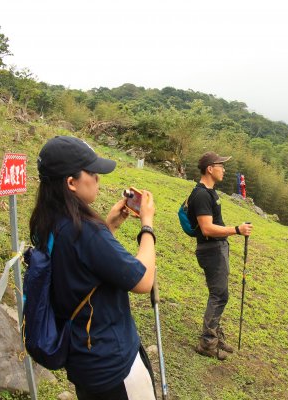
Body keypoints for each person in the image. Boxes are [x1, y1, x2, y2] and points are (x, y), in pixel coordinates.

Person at [29, 136, 157, 399]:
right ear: (71, 182)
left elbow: (77, 267)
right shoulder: (85, 231)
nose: (98, 178)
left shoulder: (45, 222)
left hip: (83, 361)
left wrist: (109, 226)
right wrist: (147, 225)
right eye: (92, 173)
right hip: (114, 363)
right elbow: (143, 281)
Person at [187, 151, 253, 360]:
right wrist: (236, 229)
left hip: (217, 249)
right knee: (219, 295)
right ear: (209, 168)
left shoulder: (210, 192)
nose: (224, 169)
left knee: (220, 294)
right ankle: (208, 342)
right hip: (211, 250)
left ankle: (214, 335)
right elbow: (206, 229)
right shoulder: (201, 195)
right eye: (220, 165)